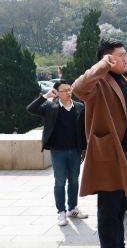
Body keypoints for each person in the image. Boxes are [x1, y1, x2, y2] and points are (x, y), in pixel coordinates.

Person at [71, 38, 127, 248]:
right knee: (109, 212)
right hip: (111, 157)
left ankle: (118, 244)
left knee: (121, 208)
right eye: (120, 56)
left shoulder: (123, 80)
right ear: (108, 58)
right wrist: (103, 65)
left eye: (125, 55)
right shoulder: (99, 81)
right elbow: (78, 88)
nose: (125, 59)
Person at [27, 79, 87, 226]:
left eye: (69, 89)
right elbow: (31, 109)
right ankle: (61, 212)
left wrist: (84, 149)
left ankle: (72, 208)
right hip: (58, 151)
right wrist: (46, 96)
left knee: (74, 181)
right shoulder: (50, 107)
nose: (68, 92)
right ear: (57, 93)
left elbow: (83, 130)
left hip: (75, 151)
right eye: (64, 90)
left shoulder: (79, 107)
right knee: (60, 182)